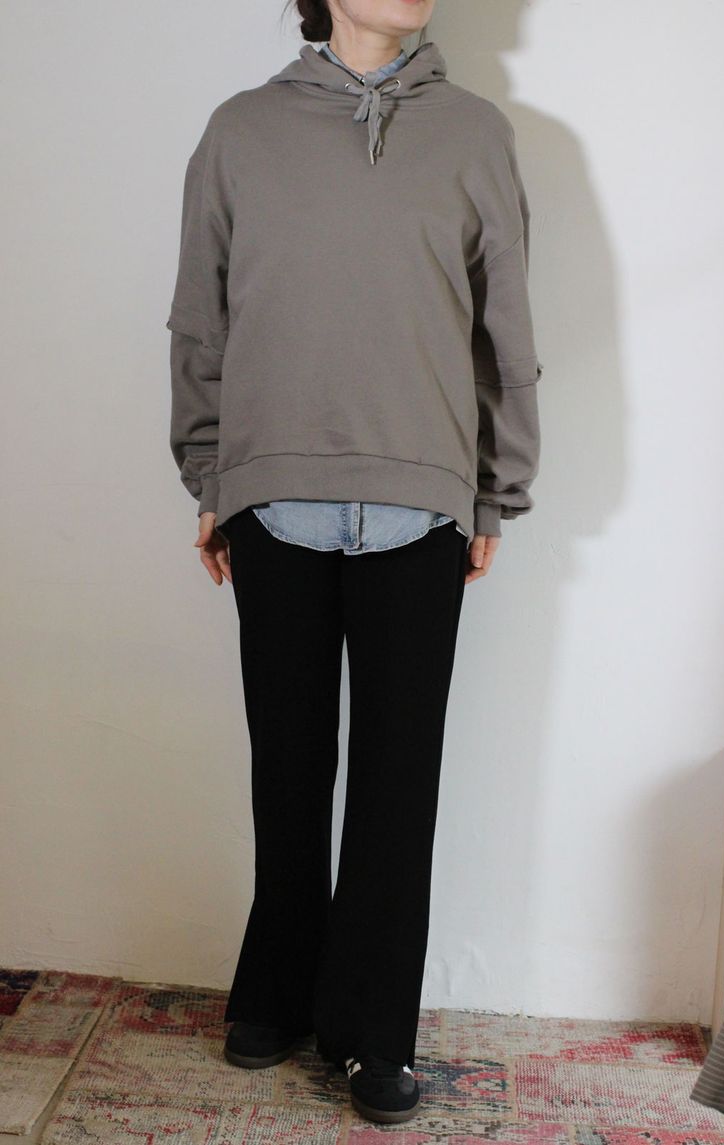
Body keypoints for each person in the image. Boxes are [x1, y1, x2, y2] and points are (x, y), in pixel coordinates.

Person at [165, 0, 543, 1125]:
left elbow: (505, 326)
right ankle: (276, 992)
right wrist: (209, 473)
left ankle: (376, 1030)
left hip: (422, 499)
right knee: (286, 766)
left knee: (396, 782)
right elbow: (199, 316)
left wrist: (496, 484)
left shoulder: (474, 132)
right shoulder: (240, 130)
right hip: (273, 490)